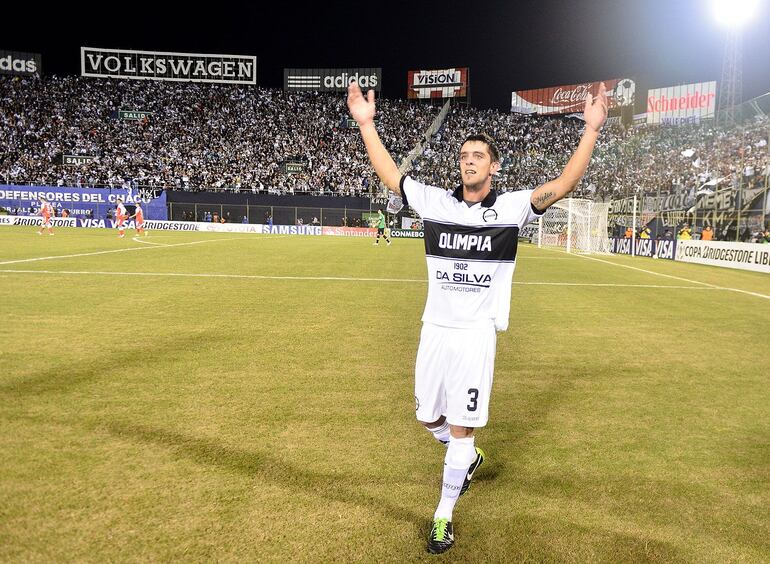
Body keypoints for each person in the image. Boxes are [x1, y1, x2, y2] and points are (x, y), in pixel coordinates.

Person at [347, 80, 608, 554]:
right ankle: (463, 455)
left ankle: (443, 513)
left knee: (463, 426)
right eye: (465, 155)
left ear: (494, 165)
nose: (469, 160)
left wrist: (590, 129)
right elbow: (392, 176)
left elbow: (564, 185)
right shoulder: (437, 204)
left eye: (478, 156)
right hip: (435, 329)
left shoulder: (511, 209)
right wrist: (366, 124)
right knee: (428, 417)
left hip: (475, 334)